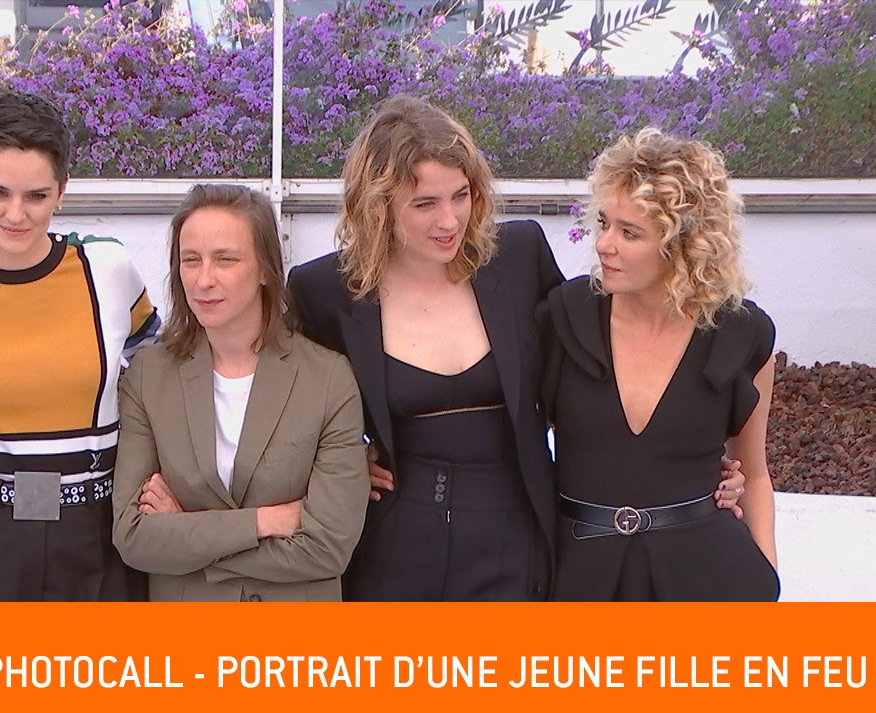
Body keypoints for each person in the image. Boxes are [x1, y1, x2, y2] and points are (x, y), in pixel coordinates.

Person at [287, 96, 747, 601]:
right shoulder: (324, 291)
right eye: (425, 204)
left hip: (515, 530)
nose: (450, 221)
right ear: (378, 204)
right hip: (393, 538)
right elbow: (289, 412)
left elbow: (603, 368)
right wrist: (342, 462)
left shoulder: (518, 258)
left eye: (460, 196)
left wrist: (694, 474)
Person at [0, 91, 161, 601]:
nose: (16, 214)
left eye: (37, 196)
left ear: (62, 191)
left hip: (96, 533)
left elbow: (158, 372)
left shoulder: (107, 270)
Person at [540, 128, 780, 601]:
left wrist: (767, 578)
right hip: (576, 578)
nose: (604, 244)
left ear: (683, 244)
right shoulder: (562, 318)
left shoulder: (742, 335)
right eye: (604, 223)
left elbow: (753, 473)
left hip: (706, 581)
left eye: (629, 232)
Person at [112, 184, 368, 601]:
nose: (204, 280)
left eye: (225, 259)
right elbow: (134, 536)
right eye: (190, 260)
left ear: (265, 268)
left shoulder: (328, 378)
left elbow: (328, 549)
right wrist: (264, 521)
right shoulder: (149, 376)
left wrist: (189, 533)